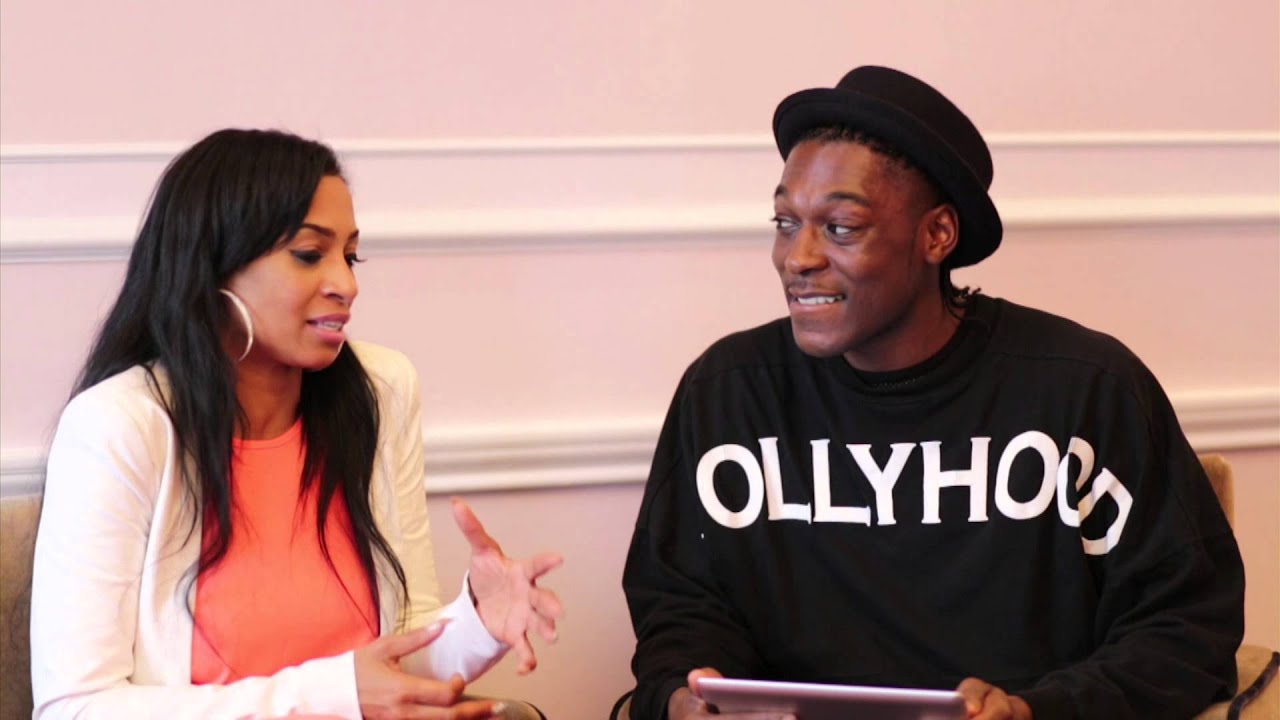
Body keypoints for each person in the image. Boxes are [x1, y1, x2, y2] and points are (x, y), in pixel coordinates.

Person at [623, 66, 1245, 720]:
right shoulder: (728, 393)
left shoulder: (1084, 390)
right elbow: (681, 607)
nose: (796, 257)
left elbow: (1185, 627)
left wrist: (1035, 710)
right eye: (784, 222)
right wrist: (685, 700)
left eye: (840, 227)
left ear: (936, 236)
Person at [29, 129, 563, 720]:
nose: (347, 284)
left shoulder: (381, 391)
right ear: (215, 266)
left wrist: (477, 622)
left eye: (350, 256)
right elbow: (76, 707)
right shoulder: (118, 426)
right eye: (310, 254)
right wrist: (331, 693)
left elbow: (393, 666)